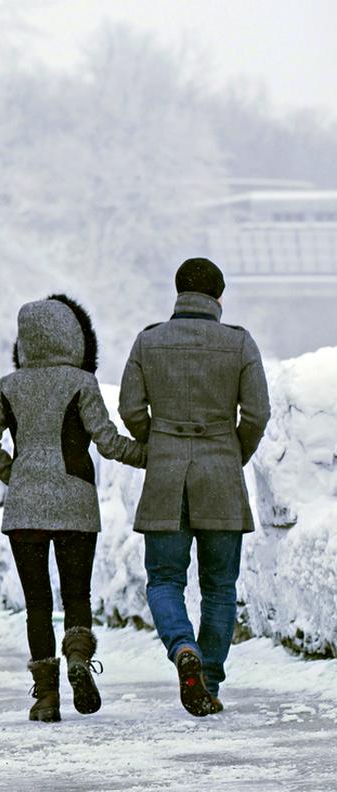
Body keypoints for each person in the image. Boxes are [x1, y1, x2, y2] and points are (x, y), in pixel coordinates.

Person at [0, 295, 147, 723]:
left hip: (24, 510)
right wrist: (147, 455)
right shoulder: (81, 383)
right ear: (74, 336)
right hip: (75, 505)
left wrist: (15, 476)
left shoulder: (8, 386)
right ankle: (77, 657)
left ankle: (46, 698)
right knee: (76, 595)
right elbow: (107, 441)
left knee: (36, 603)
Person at [118, 258, 270, 717]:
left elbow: (129, 407)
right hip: (221, 471)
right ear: (218, 297)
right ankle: (209, 678)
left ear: (178, 292)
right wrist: (232, 453)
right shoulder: (239, 342)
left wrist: (157, 443)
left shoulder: (148, 341)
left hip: (166, 473)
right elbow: (258, 413)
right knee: (220, 587)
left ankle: (183, 647)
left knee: (164, 579)